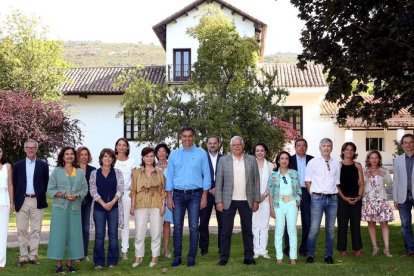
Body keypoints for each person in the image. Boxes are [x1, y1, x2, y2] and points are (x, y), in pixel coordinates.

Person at [166, 126, 211, 267]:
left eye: (190, 136)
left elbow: (207, 176)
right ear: (180, 137)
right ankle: (177, 257)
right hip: (178, 195)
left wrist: (204, 196)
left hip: (195, 195)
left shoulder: (201, 153)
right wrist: (169, 197)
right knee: (177, 227)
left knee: (193, 227)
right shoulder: (174, 154)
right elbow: (170, 177)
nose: (187, 139)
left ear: (194, 137)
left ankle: (191, 257)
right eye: (184, 136)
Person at [216, 136, 260, 266]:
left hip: (247, 200)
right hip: (228, 201)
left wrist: (256, 200)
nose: (237, 147)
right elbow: (219, 182)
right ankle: (223, 258)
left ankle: (249, 258)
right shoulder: (224, 160)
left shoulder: (251, 160)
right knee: (225, 231)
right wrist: (219, 201)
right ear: (231, 147)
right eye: (234, 145)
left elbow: (256, 181)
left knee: (247, 231)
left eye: (239, 144)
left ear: (243, 146)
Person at [47, 146, 88, 273]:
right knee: (59, 236)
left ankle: (70, 264)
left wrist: (77, 195)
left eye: (72, 154)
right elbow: (50, 189)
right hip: (60, 209)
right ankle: (58, 265)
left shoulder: (79, 172)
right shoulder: (57, 171)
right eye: (67, 154)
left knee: (74, 236)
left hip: (75, 208)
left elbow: (84, 188)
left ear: (74, 156)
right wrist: (64, 195)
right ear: (63, 157)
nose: (70, 156)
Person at [13, 139, 49, 266]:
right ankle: (23, 256)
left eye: (33, 147)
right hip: (22, 200)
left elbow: (46, 183)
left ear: (36, 149)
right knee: (21, 229)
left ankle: (33, 255)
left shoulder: (43, 165)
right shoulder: (17, 165)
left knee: (35, 230)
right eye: (28, 147)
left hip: (37, 201)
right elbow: (15, 183)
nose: (30, 150)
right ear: (24, 149)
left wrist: (40, 193)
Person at [305, 138, 340, 264]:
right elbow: (307, 180)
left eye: (329, 146)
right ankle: (310, 254)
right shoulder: (313, 162)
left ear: (331, 148)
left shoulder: (336, 163)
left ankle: (328, 255)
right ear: (320, 148)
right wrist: (313, 194)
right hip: (317, 199)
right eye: (324, 146)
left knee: (330, 229)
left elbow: (337, 181)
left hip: (333, 200)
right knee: (314, 228)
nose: (326, 148)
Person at [130, 147, 166, 268]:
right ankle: (138, 257)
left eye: (151, 156)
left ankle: (154, 257)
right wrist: (132, 206)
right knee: (139, 233)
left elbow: (163, 191)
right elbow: (133, 190)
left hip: (156, 205)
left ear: (154, 157)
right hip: (140, 205)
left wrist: (163, 206)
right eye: (146, 156)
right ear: (143, 157)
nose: (149, 158)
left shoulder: (159, 172)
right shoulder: (136, 172)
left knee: (156, 232)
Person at [89, 148, 124, 269]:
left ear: (113, 159)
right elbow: (93, 190)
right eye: (105, 156)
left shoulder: (118, 173)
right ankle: (98, 262)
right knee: (99, 235)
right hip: (99, 208)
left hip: (114, 207)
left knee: (113, 235)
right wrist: (103, 203)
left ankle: (112, 261)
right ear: (101, 158)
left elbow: (121, 189)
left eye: (110, 157)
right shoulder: (94, 173)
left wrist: (112, 201)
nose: (107, 159)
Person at [268, 151, 301, 265]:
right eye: (282, 158)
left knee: (292, 230)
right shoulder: (273, 175)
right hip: (278, 204)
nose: (284, 160)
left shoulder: (294, 173)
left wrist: (297, 200)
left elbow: (298, 189)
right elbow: (271, 193)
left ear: (289, 161)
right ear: (278, 161)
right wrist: (271, 208)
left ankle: (293, 257)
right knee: (279, 230)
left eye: (286, 158)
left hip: (291, 203)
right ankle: (279, 257)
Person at [284, 138, 314, 257]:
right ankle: (289, 248)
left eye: (303, 146)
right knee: (290, 221)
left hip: (307, 192)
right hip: (292, 193)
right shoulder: (288, 160)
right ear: (295, 147)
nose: (301, 148)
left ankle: (304, 248)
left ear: (306, 147)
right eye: (299, 146)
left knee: (307, 221)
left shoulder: (312, 160)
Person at [362, 150, 394, 257]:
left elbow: (390, 184)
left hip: (382, 201)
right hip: (369, 201)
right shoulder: (364, 170)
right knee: (371, 223)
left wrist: (383, 175)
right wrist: (365, 176)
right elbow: (359, 184)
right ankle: (375, 247)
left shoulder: (384, 170)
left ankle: (387, 249)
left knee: (384, 224)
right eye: (372, 158)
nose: (374, 160)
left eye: (376, 158)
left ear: (379, 159)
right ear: (368, 159)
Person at [336, 142, 364, 256]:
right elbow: (336, 184)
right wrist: (344, 197)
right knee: (342, 225)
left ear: (354, 152)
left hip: (356, 198)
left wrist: (359, 196)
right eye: (347, 149)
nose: (349, 151)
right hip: (342, 198)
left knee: (355, 224)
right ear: (343, 151)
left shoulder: (357, 165)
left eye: (352, 150)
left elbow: (361, 183)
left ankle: (357, 248)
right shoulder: (338, 165)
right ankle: (342, 249)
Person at [199, 136, 223, 256]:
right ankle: (203, 248)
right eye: (210, 143)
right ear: (207, 145)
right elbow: (199, 175)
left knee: (223, 223)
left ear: (219, 144)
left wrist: (217, 189)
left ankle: (222, 248)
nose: (212, 145)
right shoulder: (201, 158)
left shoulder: (224, 159)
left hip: (220, 195)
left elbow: (227, 177)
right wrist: (208, 189)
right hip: (205, 194)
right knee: (203, 222)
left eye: (215, 143)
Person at [114, 138, 136, 260]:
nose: (122, 147)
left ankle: (124, 250)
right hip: (113, 196)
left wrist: (131, 194)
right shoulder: (112, 160)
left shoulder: (131, 161)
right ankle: (113, 249)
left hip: (127, 195)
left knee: (125, 224)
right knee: (113, 223)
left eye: (124, 145)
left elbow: (134, 179)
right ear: (116, 147)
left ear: (127, 148)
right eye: (119, 145)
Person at [393, 133, 414, 256]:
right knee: (405, 225)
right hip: (403, 196)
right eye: (406, 142)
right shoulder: (398, 160)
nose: (408, 145)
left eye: (411, 142)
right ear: (402, 145)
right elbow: (396, 180)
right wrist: (395, 198)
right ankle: (410, 250)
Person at [252, 142, 273, 259]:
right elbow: (248, 182)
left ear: (265, 152)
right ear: (255, 152)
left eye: (262, 150)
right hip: (253, 200)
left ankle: (263, 250)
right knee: (255, 225)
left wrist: (265, 194)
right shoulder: (250, 164)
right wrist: (256, 196)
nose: (259, 152)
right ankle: (256, 250)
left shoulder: (271, 166)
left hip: (265, 199)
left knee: (264, 225)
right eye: (257, 150)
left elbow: (272, 183)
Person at [76, 146, 96, 261]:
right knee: (76, 228)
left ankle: (84, 254)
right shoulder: (73, 169)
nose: (84, 156)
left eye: (86, 154)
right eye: (82, 154)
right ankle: (76, 254)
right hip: (75, 202)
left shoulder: (93, 170)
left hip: (88, 202)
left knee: (86, 228)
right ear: (78, 156)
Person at [155, 143, 172, 258]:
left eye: (163, 151)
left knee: (167, 224)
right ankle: (155, 250)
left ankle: (166, 249)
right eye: (159, 151)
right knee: (156, 225)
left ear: (167, 153)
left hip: (169, 197)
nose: (161, 153)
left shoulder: (172, 165)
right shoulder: (152, 166)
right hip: (155, 199)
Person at [0, 145, 14, 269]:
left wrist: (12, 202)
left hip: (4, 201)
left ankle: (1, 261)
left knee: (3, 232)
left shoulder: (7, 166)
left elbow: (10, 185)